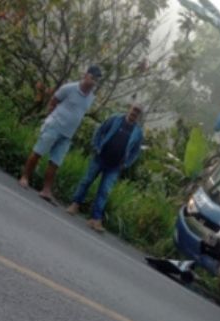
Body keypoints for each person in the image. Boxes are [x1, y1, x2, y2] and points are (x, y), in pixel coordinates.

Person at [18, 65, 102, 202]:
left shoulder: (91, 97)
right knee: (38, 152)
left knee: (55, 162)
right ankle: (25, 177)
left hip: (68, 134)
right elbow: (54, 101)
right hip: (55, 126)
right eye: (92, 78)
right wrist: (52, 118)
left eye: (96, 81)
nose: (93, 82)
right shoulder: (69, 88)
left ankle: (46, 190)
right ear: (86, 75)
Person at [66, 104, 144, 232]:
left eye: (138, 112)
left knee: (104, 191)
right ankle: (75, 204)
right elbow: (100, 131)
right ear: (129, 109)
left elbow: (136, 152)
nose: (134, 113)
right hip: (99, 158)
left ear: (139, 116)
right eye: (134, 110)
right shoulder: (115, 119)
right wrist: (96, 147)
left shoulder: (138, 132)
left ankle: (95, 219)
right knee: (86, 181)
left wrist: (126, 164)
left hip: (115, 166)